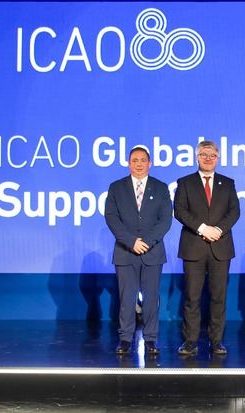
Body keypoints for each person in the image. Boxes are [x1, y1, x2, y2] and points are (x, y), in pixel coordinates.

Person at [174, 140, 240, 356]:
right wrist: (203, 228)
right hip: (194, 247)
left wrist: (218, 230)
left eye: (212, 155)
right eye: (204, 154)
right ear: (197, 157)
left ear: (217, 158)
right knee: (192, 297)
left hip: (220, 248)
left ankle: (216, 341)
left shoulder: (227, 183)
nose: (208, 158)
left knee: (218, 297)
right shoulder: (185, 182)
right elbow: (180, 211)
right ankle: (191, 341)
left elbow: (234, 212)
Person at [104, 146, 172, 355]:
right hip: (125, 251)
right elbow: (111, 217)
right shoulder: (117, 187)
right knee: (126, 298)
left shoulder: (160, 188)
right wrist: (132, 241)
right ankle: (125, 338)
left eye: (143, 160)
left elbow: (165, 219)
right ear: (128, 163)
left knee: (151, 298)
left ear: (150, 163)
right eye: (135, 160)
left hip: (152, 252)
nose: (139, 163)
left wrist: (147, 242)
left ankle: (151, 339)